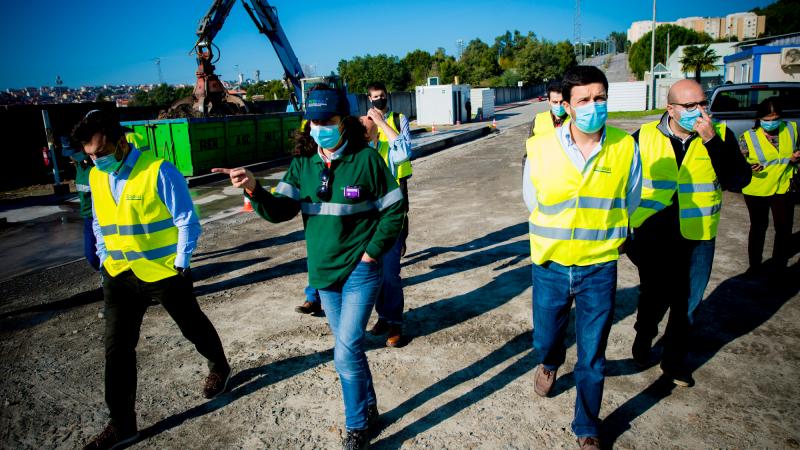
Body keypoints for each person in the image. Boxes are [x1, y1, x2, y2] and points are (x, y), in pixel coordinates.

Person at [213, 87, 405, 450]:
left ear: (344, 121)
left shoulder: (366, 159)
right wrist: (253, 188)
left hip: (360, 271)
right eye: (314, 121)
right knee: (349, 349)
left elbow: (394, 210)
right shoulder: (302, 164)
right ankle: (369, 409)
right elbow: (280, 210)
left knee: (345, 350)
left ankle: (356, 427)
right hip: (324, 274)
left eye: (327, 121)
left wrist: (372, 253)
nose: (320, 128)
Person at [73, 110, 231, 450]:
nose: (96, 160)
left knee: (192, 326)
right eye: (90, 156)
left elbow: (187, 220)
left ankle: (219, 366)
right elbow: (99, 221)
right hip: (118, 275)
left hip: (163, 273)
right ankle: (122, 424)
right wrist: (104, 256)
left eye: (101, 153)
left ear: (121, 142)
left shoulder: (158, 171)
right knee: (117, 350)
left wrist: (181, 263)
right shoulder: (97, 176)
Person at [523, 66, 641, 450]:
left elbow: (631, 200)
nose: (594, 106)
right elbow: (532, 200)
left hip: (599, 267)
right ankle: (550, 362)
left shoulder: (625, 147)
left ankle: (587, 426)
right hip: (551, 265)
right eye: (584, 100)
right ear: (568, 106)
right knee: (545, 338)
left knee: (592, 355)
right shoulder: (540, 146)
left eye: (600, 98)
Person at [627, 79, 751, 388]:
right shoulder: (642, 137)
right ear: (670, 109)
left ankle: (673, 360)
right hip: (654, 234)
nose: (700, 111)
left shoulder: (720, 135)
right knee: (654, 297)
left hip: (698, 235)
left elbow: (738, 180)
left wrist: (711, 141)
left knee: (689, 302)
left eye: (703, 103)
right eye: (690, 105)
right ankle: (644, 336)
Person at [364, 81, 413, 348]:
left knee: (391, 273)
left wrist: (381, 123)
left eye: (382, 96)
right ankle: (383, 316)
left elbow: (404, 152)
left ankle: (394, 322)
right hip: (367, 216)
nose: (379, 100)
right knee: (375, 272)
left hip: (390, 211)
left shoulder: (395, 126)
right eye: (374, 97)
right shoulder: (361, 140)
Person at [739, 97, 799, 273]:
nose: (771, 123)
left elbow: (795, 149)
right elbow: (739, 163)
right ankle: (755, 266)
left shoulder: (791, 129)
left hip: (783, 186)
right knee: (758, 227)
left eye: (775, 119)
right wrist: (749, 166)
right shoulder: (747, 137)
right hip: (757, 189)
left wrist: (796, 156)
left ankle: (779, 264)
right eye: (767, 119)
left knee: (783, 228)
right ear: (759, 118)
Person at [61, 135, 99, 271]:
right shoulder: (79, 165)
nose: (72, 157)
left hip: (101, 217)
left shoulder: (96, 164)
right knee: (91, 256)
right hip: (88, 218)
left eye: (74, 152)